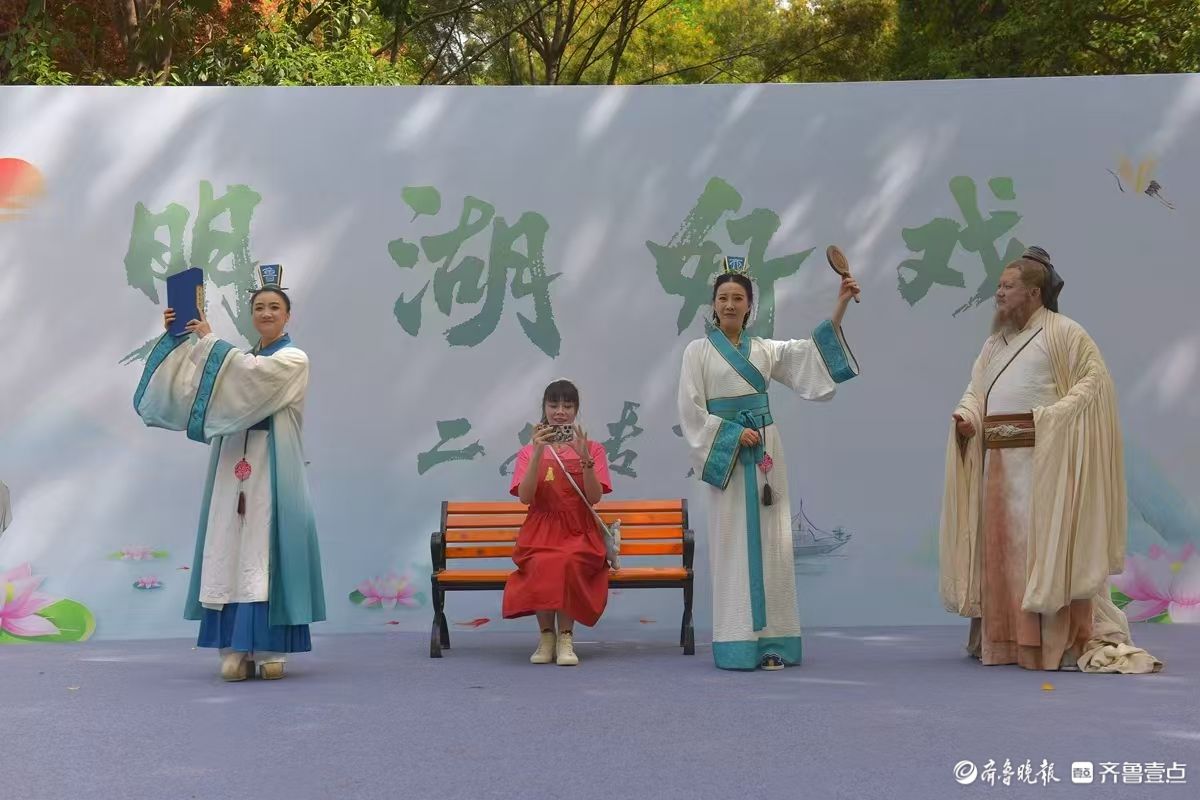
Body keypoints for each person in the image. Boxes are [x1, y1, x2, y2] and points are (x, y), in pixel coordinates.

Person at [939, 246, 1160, 673]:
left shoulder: (1065, 333)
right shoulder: (994, 344)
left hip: (1044, 465)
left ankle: (1049, 644)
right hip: (998, 466)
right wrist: (967, 417)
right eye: (998, 286)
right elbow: (975, 390)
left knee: (1039, 552)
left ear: (1034, 292)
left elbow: (1094, 382)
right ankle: (1005, 642)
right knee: (1001, 553)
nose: (998, 294)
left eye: (1007, 286)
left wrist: (1054, 419)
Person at [133, 266, 325, 681]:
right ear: (252, 315)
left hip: (271, 466)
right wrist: (180, 336)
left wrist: (208, 340)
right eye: (259, 307)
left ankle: (272, 647)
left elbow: (247, 375)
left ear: (287, 315)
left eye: (274, 307)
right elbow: (200, 381)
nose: (266, 313)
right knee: (228, 545)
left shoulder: (293, 359)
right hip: (232, 464)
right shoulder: (237, 359)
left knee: (265, 547)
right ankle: (232, 647)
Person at [677, 257, 860, 670]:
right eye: (723, 297)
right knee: (731, 544)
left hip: (764, 452)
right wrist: (729, 433)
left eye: (738, 298)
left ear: (749, 306)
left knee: (773, 542)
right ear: (713, 304)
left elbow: (809, 354)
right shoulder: (697, 352)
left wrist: (841, 303)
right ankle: (737, 642)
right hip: (729, 455)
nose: (730, 304)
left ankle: (775, 642)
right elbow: (690, 411)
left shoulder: (764, 349)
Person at [502, 379, 613, 666]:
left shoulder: (593, 448)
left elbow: (594, 497)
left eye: (568, 405)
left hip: (579, 531)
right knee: (541, 562)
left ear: (576, 410)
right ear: (544, 409)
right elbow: (525, 497)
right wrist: (538, 452)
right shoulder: (529, 452)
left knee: (568, 561)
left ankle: (566, 637)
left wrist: (585, 459)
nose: (560, 412)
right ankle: (546, 636)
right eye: (554, 405)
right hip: (539, 531)